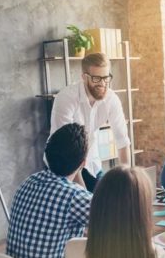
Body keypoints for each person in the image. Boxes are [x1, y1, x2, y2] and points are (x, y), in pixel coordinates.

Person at [6, 123, 91, 258]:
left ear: (47, 154)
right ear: (83, 163)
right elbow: (116, 222)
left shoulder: (28, 182)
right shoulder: (74, 196)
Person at [50, 52, 130, 191]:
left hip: (92, 164)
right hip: (62, 165)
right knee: (82, 202)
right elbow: (67, 149)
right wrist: (84, 194)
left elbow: (122, 141)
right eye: (96, 78)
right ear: (84, 77)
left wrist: (127, 181)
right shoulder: (66, 98)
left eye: (106, 78)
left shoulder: (111, 99)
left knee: (108, 199)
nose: (102, 84)